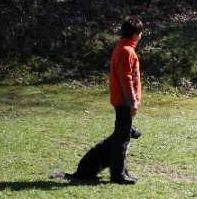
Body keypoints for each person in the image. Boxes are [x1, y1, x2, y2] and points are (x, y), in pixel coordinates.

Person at [62, 17, 144, 184]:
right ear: (135, 34)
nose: (141, 36)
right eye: (140, 33)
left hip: (121, 99)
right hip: (124, 101)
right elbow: (126, 79)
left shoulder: (122, 48)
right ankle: (118, 176)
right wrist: (133, 102)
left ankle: (121, 173)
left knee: (120, 139)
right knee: (120, 141)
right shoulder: (127, 51)